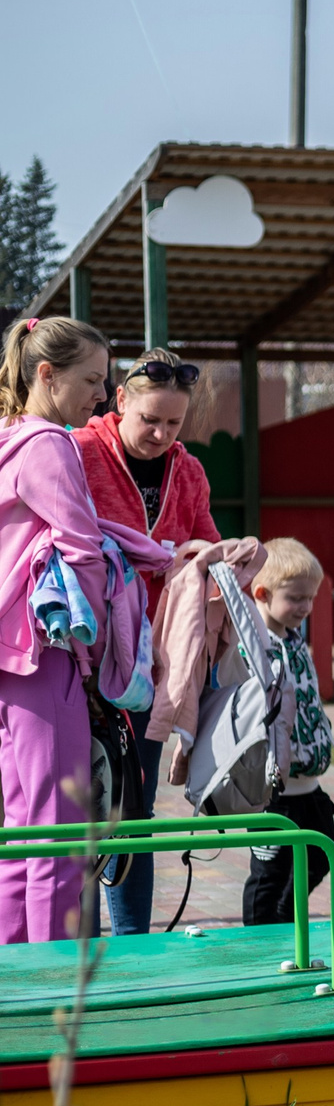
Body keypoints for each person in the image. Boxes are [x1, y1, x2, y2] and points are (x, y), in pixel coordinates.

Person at [75, 349, 217, 935]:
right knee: (76, 812)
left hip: (151, 668)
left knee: (134, 808)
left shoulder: (189, 473)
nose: (160, 434)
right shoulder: (78, 452)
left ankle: (131, 943)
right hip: (81, 656)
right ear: (120, 400)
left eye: (173, 424)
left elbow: (205, 545)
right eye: (149, 420)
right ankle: (69, 946)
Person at [0, 318, 114, 943]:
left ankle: (14, 980)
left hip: (7, 656)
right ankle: (51, 987)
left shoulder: (8, 439)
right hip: (45, 653)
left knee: (20, 830)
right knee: (60, 832)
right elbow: (81, 546)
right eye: (91, 380)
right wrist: (93, 645)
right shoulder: (49, 443)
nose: (101, 395)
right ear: (46, 374)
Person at [241, 538, 334, 927]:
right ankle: (261, 941)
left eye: (310, 598)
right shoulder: (254, 647)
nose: (305, 607)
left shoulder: (295, 642)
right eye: (296, 598)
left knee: (321, 855)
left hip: (309, 783)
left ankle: (285, 917)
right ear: (262, 593)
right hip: (274, 791)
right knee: (270, 873)